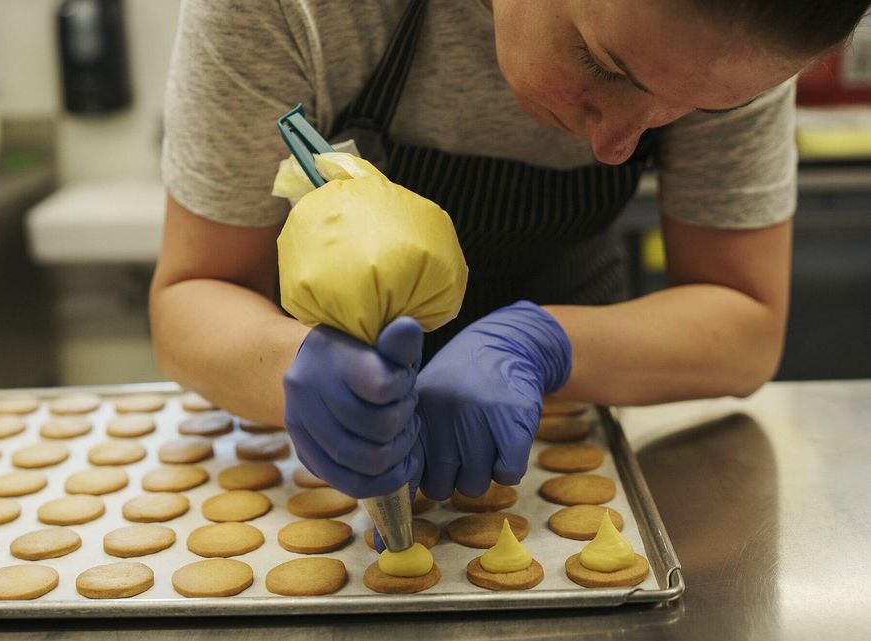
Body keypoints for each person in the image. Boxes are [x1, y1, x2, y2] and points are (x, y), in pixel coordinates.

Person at [150, 1, 871, 501]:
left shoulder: (736, 41)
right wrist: (297, 370)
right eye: (604, 64)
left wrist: (544, 345)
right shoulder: (298, 6)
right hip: (317, 440)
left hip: (569, 412)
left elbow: (746, 323)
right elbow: (193, 290)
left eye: (697, 108)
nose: (618, 143)